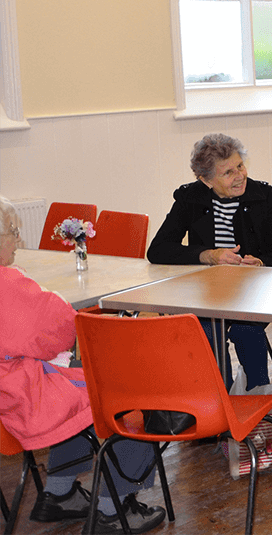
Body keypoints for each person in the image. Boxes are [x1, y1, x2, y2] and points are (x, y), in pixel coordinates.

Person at [0, 197, 167, 534]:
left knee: (79, 381)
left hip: (11, 397)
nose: (19, 241)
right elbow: (62, 328)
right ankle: (114, 508)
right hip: (25, 401)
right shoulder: (6, 285)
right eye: (13, 233)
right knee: (131, 391)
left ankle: (59, 494)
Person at [147, 134, 272, 389]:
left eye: (240, 166)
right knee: (206, 329)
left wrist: (260, 262)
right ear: (206, 180)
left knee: (246, 329)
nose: (239, 175)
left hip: (252, 293)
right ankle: (222, 402)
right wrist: (207, 255)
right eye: (228, 172)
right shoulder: (189, 198)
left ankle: (259, 399)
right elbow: (158, 250)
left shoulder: (262, 195)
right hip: (206, 294)